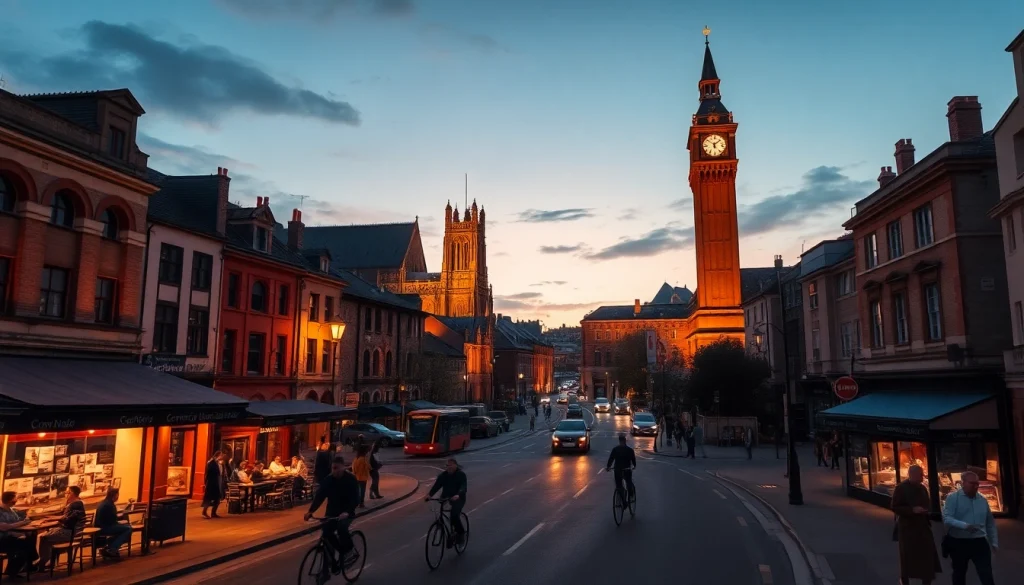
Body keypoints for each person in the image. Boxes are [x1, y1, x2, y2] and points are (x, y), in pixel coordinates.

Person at [304, 456, 360, 573]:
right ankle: (334, 563)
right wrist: (310, 511)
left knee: (341, 528)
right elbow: (320, 496)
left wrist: (347, 512)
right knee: (327, 532)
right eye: (333, 468)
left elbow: (356, 498)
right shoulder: (328, 480)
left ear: (343, 467)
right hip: (332, 512)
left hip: (346, 512)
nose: (334, 471)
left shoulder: (351, 479)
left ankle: (349, 550)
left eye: (336, 468)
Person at [942, 470, 998, 585]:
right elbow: (947, 518)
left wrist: (994, 542)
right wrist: (965, 526)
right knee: (959, 574)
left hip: (979, 541)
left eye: (977, 483)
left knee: (986, 574)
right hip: (959, 542)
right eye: (972, 483)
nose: (975, 486)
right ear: (963, 483)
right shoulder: (953, 498)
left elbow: (990, 522)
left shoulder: (982, 500)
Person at [891, 465, 940, 585]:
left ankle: (926, 580)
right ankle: (905, 579)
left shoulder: (923, 488)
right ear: (911, 475)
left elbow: (927, 503)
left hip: (923, 527)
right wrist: (912, 510)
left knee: (927, 556)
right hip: (907, 528)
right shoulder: (901, 488)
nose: (922, 477)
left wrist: (925, 511)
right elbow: (895, 506)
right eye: (920, 474)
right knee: (907, 557)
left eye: (922, 474)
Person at [38, 486, 85, 569]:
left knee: (43, 537)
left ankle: (42, 561)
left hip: (69, 533)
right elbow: (66, 516)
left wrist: (53, 519)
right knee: (49, 535)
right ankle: (49, 561)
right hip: (72, 531)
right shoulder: (76, 503)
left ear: (72, 493)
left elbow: (67, 519)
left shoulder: (75, 504)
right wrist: (53, 518)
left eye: (67, 492)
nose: (65, 494)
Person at [424, 458, 468, 546]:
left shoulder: (461, 475)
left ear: (455, 465)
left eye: (451, 465)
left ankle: (460, 534)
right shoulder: (443, 476)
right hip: (445, 498)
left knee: (454, 515)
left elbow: (463, 486)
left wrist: (458, 494)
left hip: (458, 498)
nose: (449, 467)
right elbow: (437, 486)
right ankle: (447, 530)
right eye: (447, 466)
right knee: (440, 513)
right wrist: (429, 495)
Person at [0, 490, 37, 577]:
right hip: (2, 539)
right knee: (27, 545)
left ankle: (13, 570)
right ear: (10, 500)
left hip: (11, 537)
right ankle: (31, 562)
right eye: (15, 498)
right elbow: (4, 527)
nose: (16, 500)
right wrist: (22, 523)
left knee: (30, 537)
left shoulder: (11, 510)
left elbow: (18, 520)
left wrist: (27, 519)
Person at [94, 487, 132, 559]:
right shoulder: (109, 505)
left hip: (100, 527)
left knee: (123, 529)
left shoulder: (104, 503)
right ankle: (112, 548)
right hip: (105, 528)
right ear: (115, 495)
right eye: (118, 494)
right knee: (128, 529)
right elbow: (113, 521)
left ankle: (109, 546)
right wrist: (121, 518)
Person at [605, 433, 636, 504]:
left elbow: (611, 459)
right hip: (627, 469)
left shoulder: (615, 449)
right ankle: (631, 495)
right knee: (628, 482)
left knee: (619, 485)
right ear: (625, 441)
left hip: (617, 470)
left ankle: (622, 499)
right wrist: (634, 466)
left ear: (619, 441)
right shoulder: (630, 450)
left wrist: (608, 467)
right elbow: (633, 460)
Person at [202, 451, 224, 519]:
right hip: (212, 482)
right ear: (217, 456)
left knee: (217, 498)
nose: (222, 457)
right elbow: (209, 473)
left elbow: (220, 473)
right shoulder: (211, 462)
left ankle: (213, 512)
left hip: (217, 481)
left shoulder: (219, 463)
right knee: (209, 498)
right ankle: (204, 511)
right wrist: (206, 482)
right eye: (220, 455)